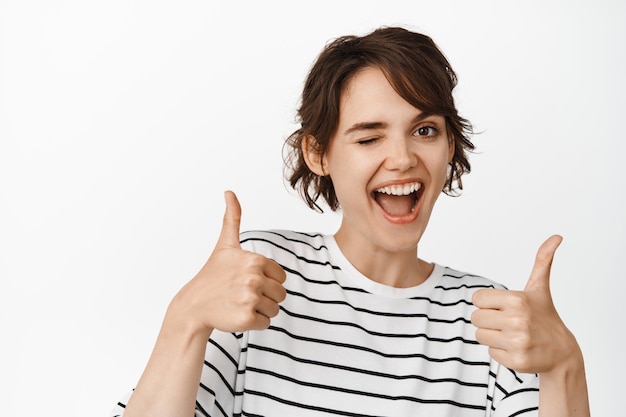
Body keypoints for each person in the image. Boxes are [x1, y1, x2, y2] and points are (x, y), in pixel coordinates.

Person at [111, 26, 590, 416]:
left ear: (449, 147)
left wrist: (566, 366)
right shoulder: (258, 278)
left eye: (425, 130)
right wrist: (185, 318)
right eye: (369, 138)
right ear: (319, 153)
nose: (402, 158)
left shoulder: (496, 322)